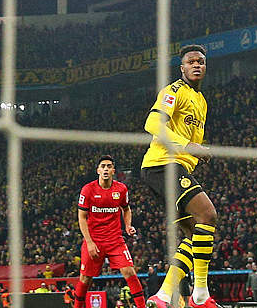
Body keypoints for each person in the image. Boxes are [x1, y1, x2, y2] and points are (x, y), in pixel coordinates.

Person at [139, 45, 220, 308]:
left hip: (177, 168)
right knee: (208, 215)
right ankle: (200, 295)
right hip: (162, 165)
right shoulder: (174, 91)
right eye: (191, 62)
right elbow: (152, 124)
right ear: (182, 68)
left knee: (194, 234)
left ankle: (164, 295)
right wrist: (187, 147)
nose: (197, 65)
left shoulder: (202, 101)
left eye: (201, 62)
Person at [75, 155, 146, 308]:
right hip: (94, 241)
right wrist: (89, 242)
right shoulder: (88, 190)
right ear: (98, 170)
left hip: (115, 240)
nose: (106, 169)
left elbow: (126, 209)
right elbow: (81, 217)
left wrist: (127, 226)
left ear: (113, 170)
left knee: (129, 272)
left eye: (109, 166)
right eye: (103, 166)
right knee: (85, 278)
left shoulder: (121, 189)